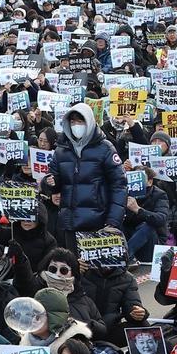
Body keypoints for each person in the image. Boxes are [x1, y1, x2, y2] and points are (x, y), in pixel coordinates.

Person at [47, 103, 128, 249]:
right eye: (72, 122)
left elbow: (119, 185)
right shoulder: (61, 150)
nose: (76, 125)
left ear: (89, 121)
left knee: (94, 270)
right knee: (73, 268)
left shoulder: (105, 148)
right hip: (70, 223)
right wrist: (50, 183)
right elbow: (53, 179)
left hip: (98, 223)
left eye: (80, 121)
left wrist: (113, 221)